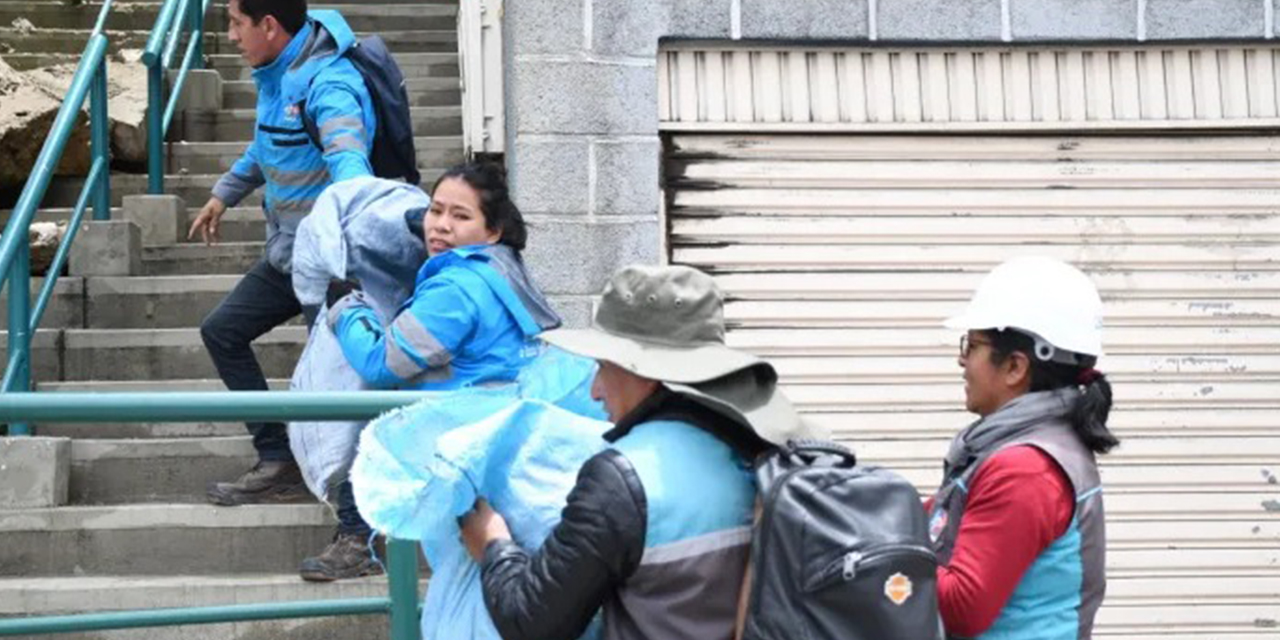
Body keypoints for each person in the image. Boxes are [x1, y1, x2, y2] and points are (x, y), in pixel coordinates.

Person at [459, 264, 810, 640]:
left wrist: (493, 545)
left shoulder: (622, 479)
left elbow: (531, 620)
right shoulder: (769, 450)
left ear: (646, 371)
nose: (595, 390)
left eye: (603, 366)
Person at [319, 162, 562, 579]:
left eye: (460, 216)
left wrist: (347, 308)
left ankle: (357, 539)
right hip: (500, 447)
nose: (441, 226)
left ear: (493, 230)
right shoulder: (502, 266)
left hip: (463, 456)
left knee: (466, 588)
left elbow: (382, 363)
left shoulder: (455, 289)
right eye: (436, 210)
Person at [196, 0, 376, 509]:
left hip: (331, 267)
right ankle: (278, 459)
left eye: (235, 24)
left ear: (269, 26)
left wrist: (345, 250)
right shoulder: (278, 74)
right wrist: (224, 193)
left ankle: (356, 525)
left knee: (337, 388)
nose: (231, 36)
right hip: (288, 256)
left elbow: (349, 162)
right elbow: (268, 146)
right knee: (222, 330)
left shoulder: (330, 85)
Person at [928, 256, 1117, 639]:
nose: (961, 360)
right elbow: (936, 522)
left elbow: (964, 607)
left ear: (1015, 367)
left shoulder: (1024, 468)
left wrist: (880, 562)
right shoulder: (1010, 450)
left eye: (973, 345)